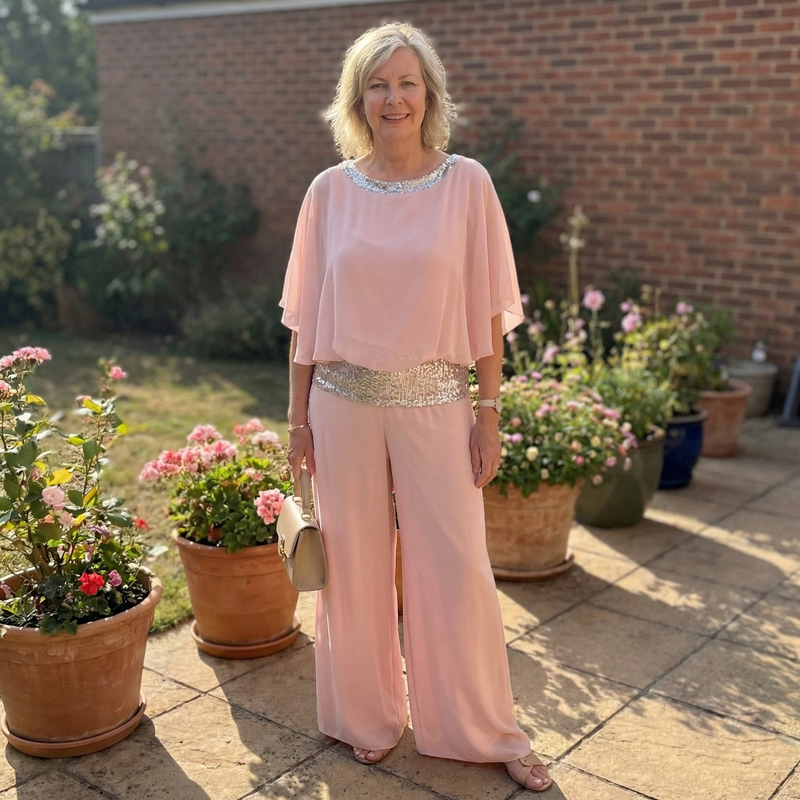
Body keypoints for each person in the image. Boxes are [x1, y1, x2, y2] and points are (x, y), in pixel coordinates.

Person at [280, 22, 552, 793]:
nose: (393, 98)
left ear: (428, 94)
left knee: (458, 568)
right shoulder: (327, 192)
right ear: (357, 98)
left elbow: (487, 313)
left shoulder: (468, 184)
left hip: (437, 401)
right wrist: (296, 421)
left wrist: (488, 412)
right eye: (377, 84)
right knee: (353, 571)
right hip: (341, 406)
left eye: (406, 82)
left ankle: (485, 729)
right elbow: (304, 321)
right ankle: (366, 719)